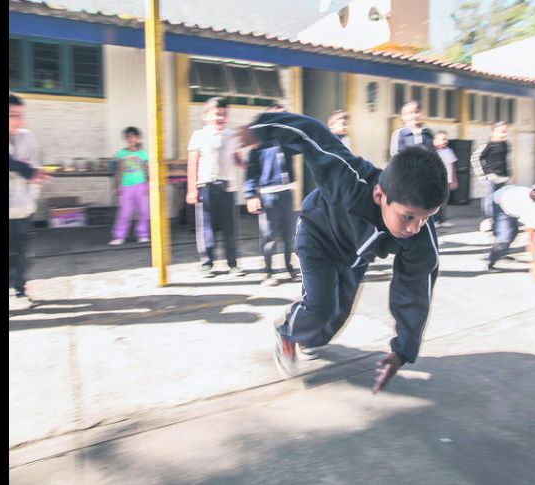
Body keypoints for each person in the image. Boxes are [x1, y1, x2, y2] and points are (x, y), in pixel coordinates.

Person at [237, 111, 448, 394]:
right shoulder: (350, 178)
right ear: (379, 195)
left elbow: (415, 290)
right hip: (317, 237)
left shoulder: (420, 235)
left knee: (335, 318)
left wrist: (402, 350)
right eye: (408, 217)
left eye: (426, 218)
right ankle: (287, 331)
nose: (415, 228)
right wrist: (261, 128)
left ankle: (306, 334)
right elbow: (312, 134)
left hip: (354, 256)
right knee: (320, 305)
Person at [186, 97, 247, 278]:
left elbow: (238, 159)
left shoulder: (232, 135)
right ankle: (207, 263)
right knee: (206, 227)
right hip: (207, 186)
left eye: (224, 115)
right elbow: (192, 164)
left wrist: (246, 162)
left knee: (230, 228)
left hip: (227, 187)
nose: (221, 118)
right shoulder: (199, 135)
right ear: (206, 116)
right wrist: (192, 189)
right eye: (217, 114)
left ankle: (233, 264)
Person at [244, 106, 299, 287]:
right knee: (268, 236)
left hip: (287, 194)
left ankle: (289, 268)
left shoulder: (288, 143)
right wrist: (251, 195)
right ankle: (268, 272)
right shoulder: (257, 147)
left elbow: (302, 139)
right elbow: (250, 174)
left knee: (288, 235)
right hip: (268, 196)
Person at [9, 93, 46, 303]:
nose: (19, 121)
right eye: (13, 115)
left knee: (23, 254)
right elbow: (26, 169)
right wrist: (24, 170)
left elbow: (36, 171)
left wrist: (32, 199)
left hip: (23, 209)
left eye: (21, 115)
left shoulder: (28, 138)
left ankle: (20, 289)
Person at [109, 127, 150, 245]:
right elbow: (118, 171)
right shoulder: (121, 153)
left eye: (133, 137)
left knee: (143, 211)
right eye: (128, 137)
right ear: (125, 139)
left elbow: (147, 170)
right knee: (124, 212)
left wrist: (148, 185)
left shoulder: (143, 154)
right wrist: (117, 186)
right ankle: (119, 236)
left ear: (137, 138)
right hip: (126, 186)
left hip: (140, 185)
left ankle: (142, 234)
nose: (131, 139)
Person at [470, 122, 510, 233]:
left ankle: (499, 222)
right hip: (492, 177)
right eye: (501, 131)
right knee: (490, 201)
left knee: (501, 201)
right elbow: (475, 158)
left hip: (503, 178)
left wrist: (508, 175)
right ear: (492, 132)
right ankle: (488, 221)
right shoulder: (488, 145)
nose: (504, 134)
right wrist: (482, 174)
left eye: (505, 131)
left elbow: (505, 161)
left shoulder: (505, 144)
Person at [432, 130, 459, 228]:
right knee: (435, 201)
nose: (445, 141)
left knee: (444, 202)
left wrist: (454, 180)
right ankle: (434, 220)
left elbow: (452, 166)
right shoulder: (432, 152)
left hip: (447, 180)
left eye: (446, 139)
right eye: (443, 139)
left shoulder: (449, 151)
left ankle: (442, 220)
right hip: (436, 181)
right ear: (435, 140)